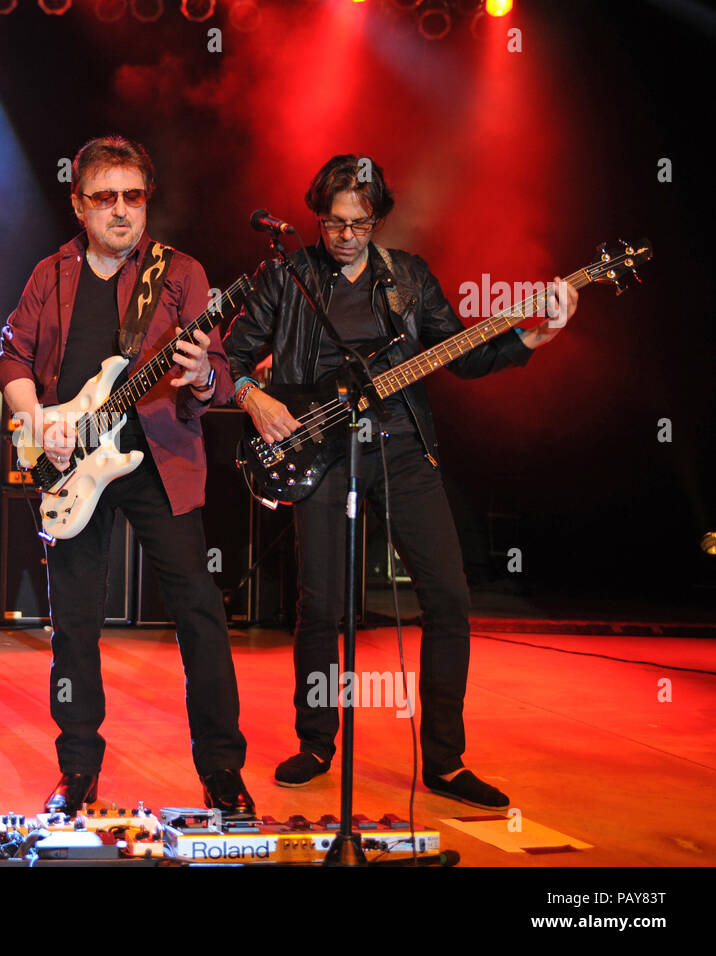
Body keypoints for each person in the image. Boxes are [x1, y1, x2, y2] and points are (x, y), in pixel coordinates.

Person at [223, 154, 577, 810]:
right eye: (332, 223)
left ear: (379, 220)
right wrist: (254, 397)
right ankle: (316, 742)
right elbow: (232, 355)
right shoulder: (288, 277)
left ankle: (444, 760)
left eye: (359, 224)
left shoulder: (407, 279)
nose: (345, 236)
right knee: (322, 605)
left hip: (403, 451)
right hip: (320, 452)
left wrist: (536, 337)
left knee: (448, 600)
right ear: (317, 218)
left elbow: (464, 356)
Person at [0, 135, 254, 817]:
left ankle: (222, 771)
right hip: (74, 466)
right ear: (78, 204)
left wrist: (201, 375)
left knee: (200, 612)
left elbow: (220, 377)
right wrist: (36, 421)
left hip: (159, 462)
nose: (120, 211)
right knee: (74, 624)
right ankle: (77, 769)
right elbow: (12, 357)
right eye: (104, 197)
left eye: (132, 197)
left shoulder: (181, 274)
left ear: (147, 202)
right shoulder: (49, 275)